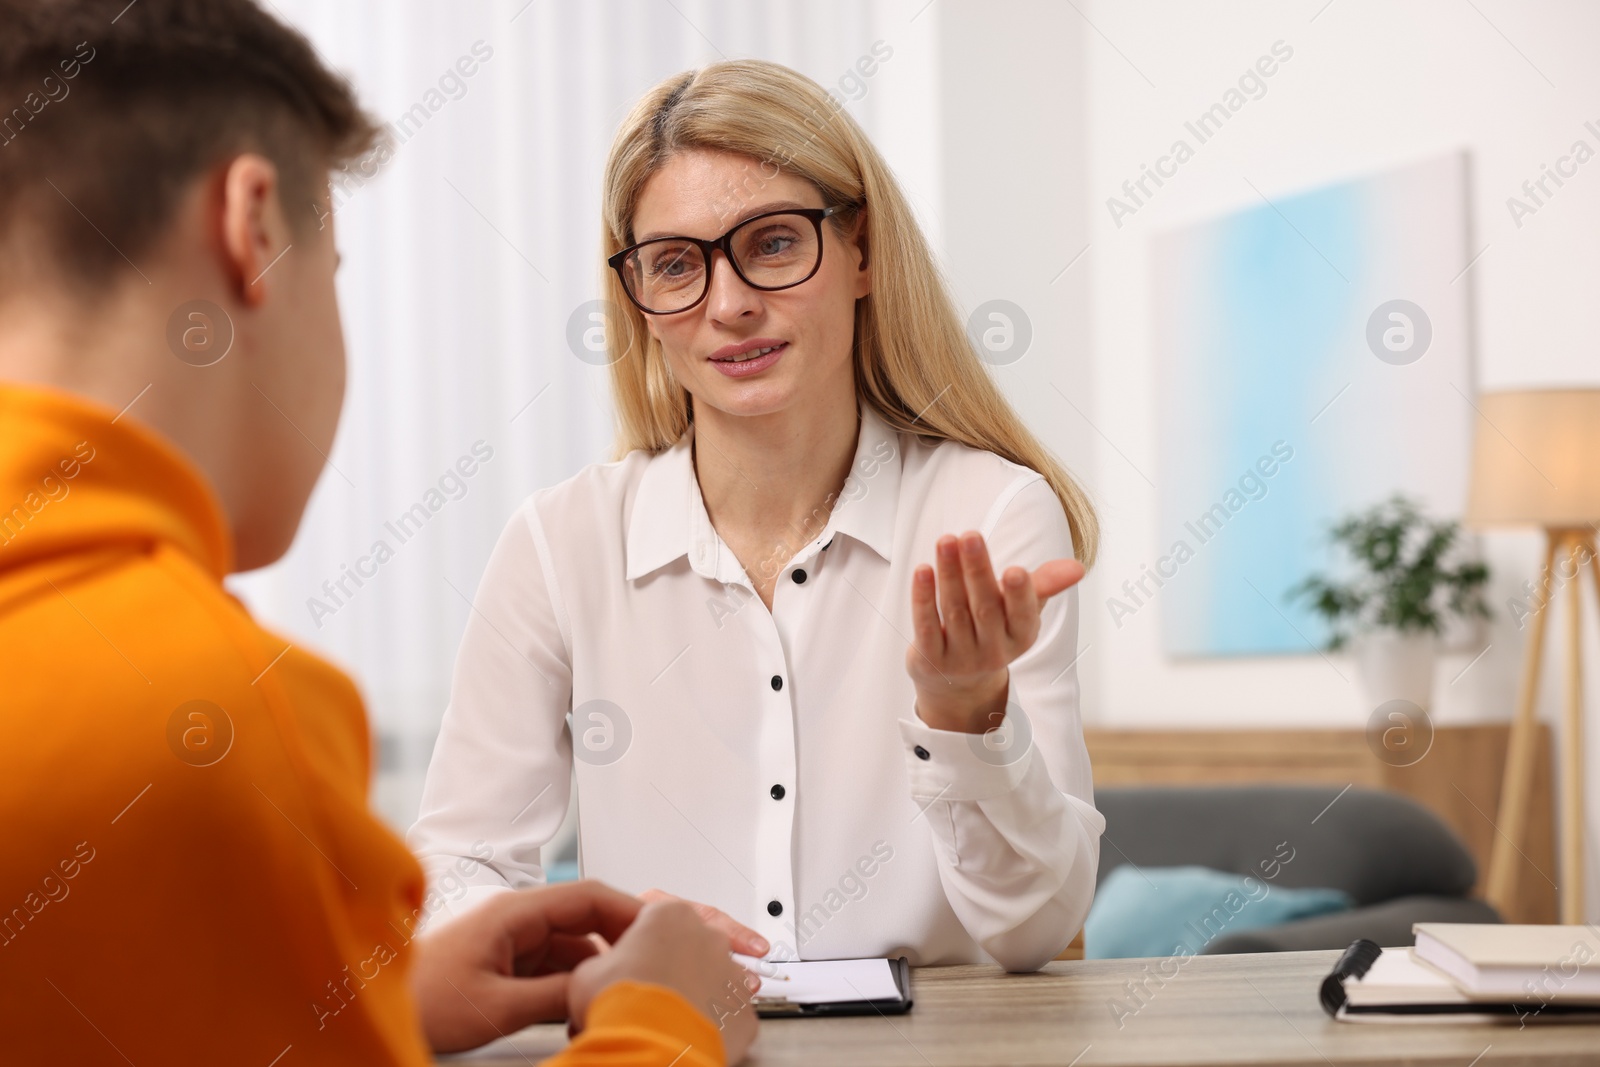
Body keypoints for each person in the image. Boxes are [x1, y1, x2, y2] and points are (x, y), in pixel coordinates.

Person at [0, 2, 757, 1064]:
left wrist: (370, 997)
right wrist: (665, 1016)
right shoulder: (213, 714)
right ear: (253, 226)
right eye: (337, 269)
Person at [410, 59, 1106, 971]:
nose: (730, 304)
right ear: (639, 302)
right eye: (675, 264)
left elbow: (1035, 929)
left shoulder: (991, 514)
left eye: (773, 242)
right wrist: (584, 938)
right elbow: (456, 863)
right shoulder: (558, 543)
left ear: (861, 251)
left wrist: (968, 712)